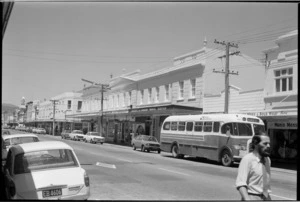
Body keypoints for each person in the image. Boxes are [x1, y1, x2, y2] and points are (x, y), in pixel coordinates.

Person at [236, 132, 272, 201]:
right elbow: (241, 184)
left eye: (269, 143)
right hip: (252, 197)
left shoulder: (267, 160)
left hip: (266, 197)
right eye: (265, 143)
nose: (268, 146)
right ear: (256, 144)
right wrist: (247, 199)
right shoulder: (247, 159)